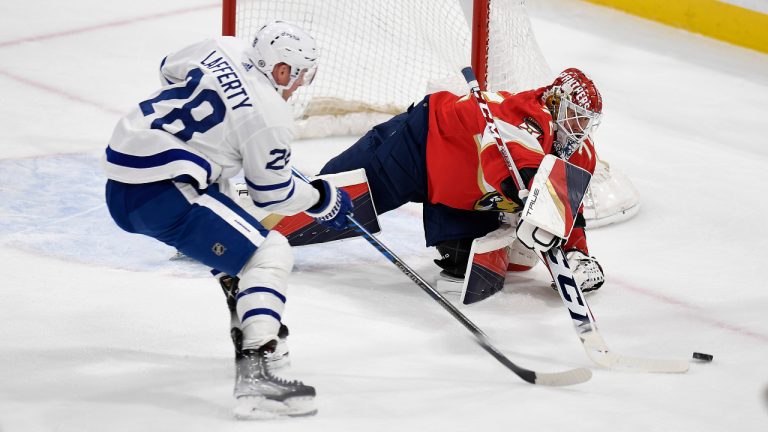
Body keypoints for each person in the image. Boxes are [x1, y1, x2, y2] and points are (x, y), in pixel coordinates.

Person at [102, 21, 352, 419]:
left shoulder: (221, 47)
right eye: (300, 74)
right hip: (162, 192)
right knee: (270, 254)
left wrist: (216, 139)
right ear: (282, 70)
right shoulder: (270, 116)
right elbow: (272, 194)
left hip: (123, 177)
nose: (300, 84)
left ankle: (244, 299)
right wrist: (321, 199)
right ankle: (258, 370)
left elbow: (169, 69)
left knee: (236, 217)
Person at [320, 68, 604, 293]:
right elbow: (507, 160)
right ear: (555, 104)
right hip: (419, 145)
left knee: (464, 266)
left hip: (462, 195)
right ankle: (286, 196)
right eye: (576, 117)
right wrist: (534, 196)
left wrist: (576, 254)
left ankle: (506, 245)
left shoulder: (581, 153)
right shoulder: (526, 113)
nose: (580, 129)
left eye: (586, 122)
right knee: (329, 195)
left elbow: (569, 210)